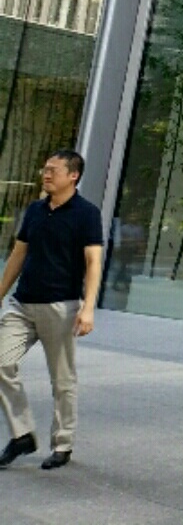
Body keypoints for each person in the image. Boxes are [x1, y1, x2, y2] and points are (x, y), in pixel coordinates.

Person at [0, 150, 104, 471]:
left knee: (62, 380)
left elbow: (93, 262)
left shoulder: (86, 213)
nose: (46, 175)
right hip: (22, 303)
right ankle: (22, 435)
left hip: (60, 306)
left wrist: (88, 308)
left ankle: (63, 443)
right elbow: (18, 255)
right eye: (44, 169)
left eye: (53, 170)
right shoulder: (34, 210)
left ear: (73, 175)